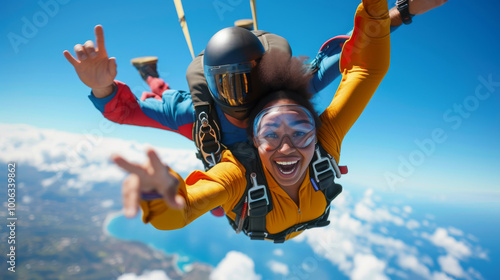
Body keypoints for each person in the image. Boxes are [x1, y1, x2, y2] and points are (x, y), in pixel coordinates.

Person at [110, 0, 391, 243]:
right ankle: (150, 75)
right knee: (171, 100)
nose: (286, 148)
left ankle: (241, 43)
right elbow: (184, 208)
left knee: (219, 206)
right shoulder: (236, 170)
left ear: (316, 129)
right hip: (198, 120)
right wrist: (162, 195)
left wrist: (391, 10)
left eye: (300, 130)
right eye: (270, 133)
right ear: (253, 138)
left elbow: (363, 62)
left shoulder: (323, 136)